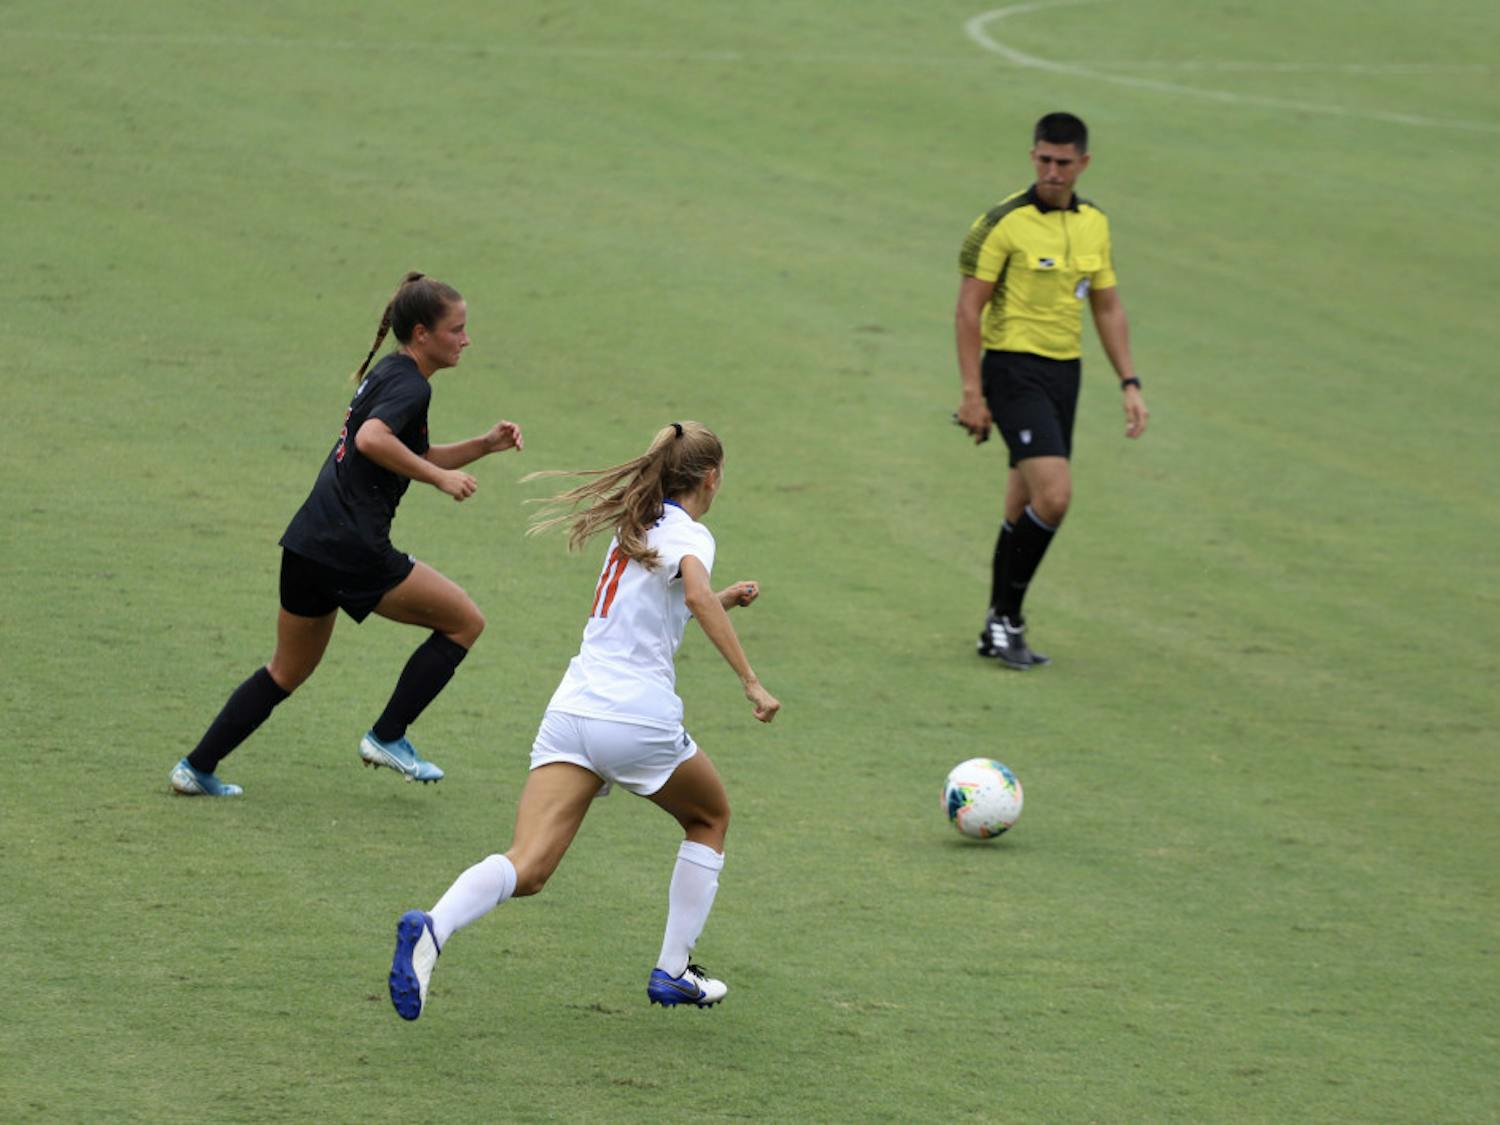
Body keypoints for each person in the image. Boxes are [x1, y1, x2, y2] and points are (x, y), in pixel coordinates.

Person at [386, 421, 779, 1020]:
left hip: (573, 712)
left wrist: (721, 599)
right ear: (711, 478)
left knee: (529, 864)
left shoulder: (635, 528)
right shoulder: (693, 535)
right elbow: (691, 596)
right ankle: (673, 970)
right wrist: (751, 681)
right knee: (710, 817)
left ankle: (433, 929)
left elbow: (662, 608)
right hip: (636, 719)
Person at [168, 272, 524, 796]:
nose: (466, 339)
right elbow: (372, 438)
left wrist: (482, 445)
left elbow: (409, 454)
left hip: (308, 542)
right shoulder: (411, 384)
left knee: (286, 671)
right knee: (464, 621)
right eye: (457, 329)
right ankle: (388, 735)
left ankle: (195, 767)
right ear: (422, 333)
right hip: (351, 548)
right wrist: (443, 480)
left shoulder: (391, 373)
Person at [954, 111, 1149, 669]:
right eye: (1043, 159)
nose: (1052, 171)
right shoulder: (1003, 223)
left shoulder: (1095, 225)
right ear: (1033, 156)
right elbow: (969, 309)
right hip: (1013, 369)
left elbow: (1107, 305)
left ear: (1083, 163)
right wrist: (973, 392)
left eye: (1064, 162)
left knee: (1023, 503)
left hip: (1066, 374)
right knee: (1055, 496)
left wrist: (1129, 382)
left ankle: (997, 625)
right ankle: (1008, 618)